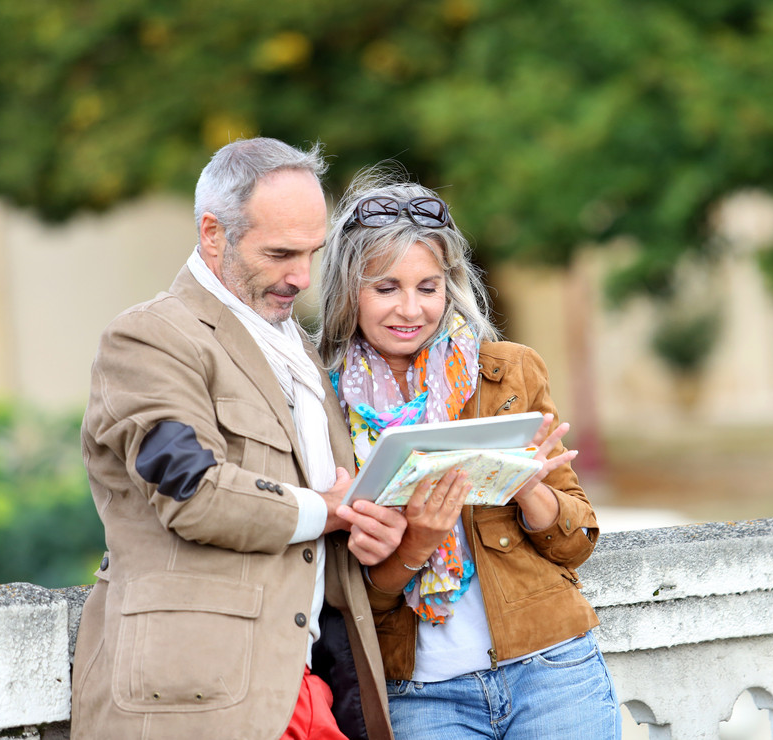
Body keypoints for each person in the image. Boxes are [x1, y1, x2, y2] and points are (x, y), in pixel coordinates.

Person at [71, 138, 408, 740]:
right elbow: (192, 492)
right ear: (212, 234)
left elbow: (325, 528)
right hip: (192, 700)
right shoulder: (148, 338)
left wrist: (369, 523)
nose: (302, 278)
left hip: (311, 689)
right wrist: (327, 509)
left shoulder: (299, 349)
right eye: (280, 253)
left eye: (312, 253)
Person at [316, 164, 621, 739]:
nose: (411, 309)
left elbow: (578, 542)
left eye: (427, 287)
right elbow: (349, 598)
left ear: (448, 285)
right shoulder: (320, 403)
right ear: (345, 291)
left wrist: (531, 489)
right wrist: (416, 544)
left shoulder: (508, 372)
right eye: (386, 288)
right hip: (420, 695)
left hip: (551, 669)